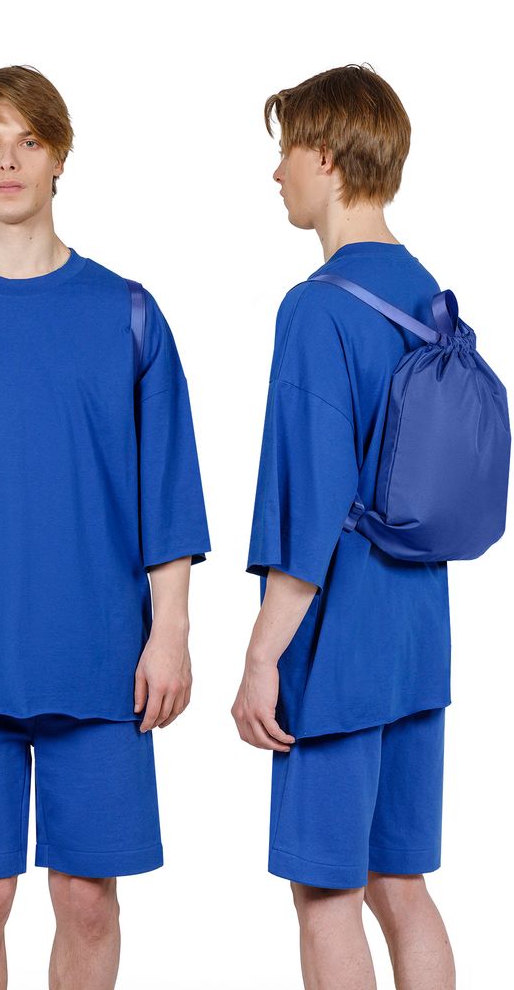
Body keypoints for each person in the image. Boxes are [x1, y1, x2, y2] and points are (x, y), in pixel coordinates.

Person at [0, 65, 210, 989]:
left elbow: (170, 496)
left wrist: (171, 633)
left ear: (60, 157)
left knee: (88, 897)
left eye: (28, 142)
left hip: (101, 659)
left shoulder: (129, 315)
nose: (7, 161)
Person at [232, 64, 456, 990]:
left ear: (324, 157)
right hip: (419, 639)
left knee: (326, 893)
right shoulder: (430, 298)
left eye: (286, 150)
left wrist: (261, 657)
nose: (276, 172)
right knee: (399, 884)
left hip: (337, 649)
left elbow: (309, 507)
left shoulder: (318, 306)